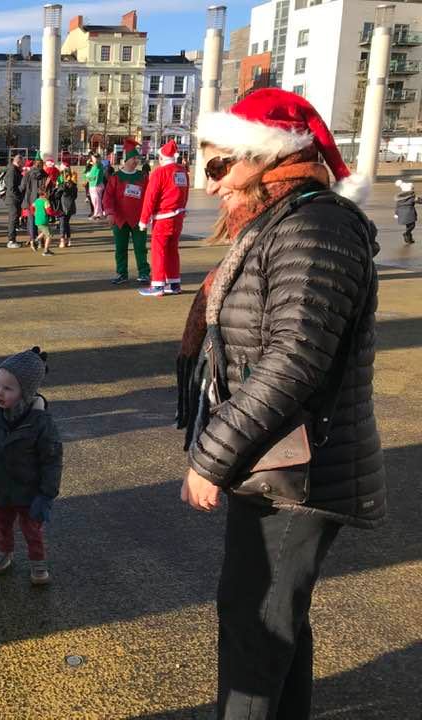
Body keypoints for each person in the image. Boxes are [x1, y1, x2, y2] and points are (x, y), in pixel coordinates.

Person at [178, 88, 382, 718]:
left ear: (266, 157)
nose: (210, 184)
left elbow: (295, 359)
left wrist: (211, 457)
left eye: (219, 166)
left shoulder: (315, 225)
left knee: (256, 633)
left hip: (297, 470)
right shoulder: (283, 223)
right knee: (271, 624)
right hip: (278, 461)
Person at [0, 347, 61, 585]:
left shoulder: (41, 422)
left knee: (32, 529)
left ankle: (37, 561)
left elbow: (52, 460)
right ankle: (4, 551)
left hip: (30, 492)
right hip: (1, 487)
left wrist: (46, 495)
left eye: (8, 388)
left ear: (25, 392)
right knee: (3, 524)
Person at [139, 139, 190, 297]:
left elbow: (150, 198)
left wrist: (144, 219)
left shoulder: (159, 173)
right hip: (178, 216)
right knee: (172, 250)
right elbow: (185, 194)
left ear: (161, 158)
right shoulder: (182, 172)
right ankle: (174, 283)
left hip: (163, 217)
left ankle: (158, 284)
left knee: (159, 250)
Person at [103, 139, 150, 285]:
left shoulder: (142, 177)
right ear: (126, 160)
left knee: (140, 248)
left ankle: (144, 273)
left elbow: (149, 196)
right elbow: (108, 197)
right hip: (120, 219)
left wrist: (150, 213)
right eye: (134, 158)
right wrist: (110, 213)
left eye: (137, 158)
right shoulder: (116, 177)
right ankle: (121, 273)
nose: (136, 161)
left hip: (139, 219)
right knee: (120, 248)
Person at [21, 159, 46, 246]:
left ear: (34, 165)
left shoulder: (27, 174)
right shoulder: (45, 175)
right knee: (41, 221)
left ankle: (32, 239)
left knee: (31, 221)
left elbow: (22, 187)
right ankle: (40, 241)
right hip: (41, 201)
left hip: (29, 200)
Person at [6, 155, 24, 248]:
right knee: (13, 219)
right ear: (18, 162)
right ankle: (11, 240)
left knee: (14, 218)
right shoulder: (12, 171)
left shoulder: (14, 170)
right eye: (22, 163)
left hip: (13, 198)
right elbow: (11, 187)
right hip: (13, 198)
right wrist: (18, 196)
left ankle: (12, 239)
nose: (23, 165)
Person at [394, 179, 419, 244]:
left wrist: (396, 213)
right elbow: (419, 201)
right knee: (412, 225)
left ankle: (409, 239)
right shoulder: (412, 197)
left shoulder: (399, 198)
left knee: (408, 226)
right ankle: (406, 233)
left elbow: (397, 206)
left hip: (402, 213)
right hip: (409, 212)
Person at [59, 169, 78, 248]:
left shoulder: (63, 185)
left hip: (63, 206)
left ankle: (62, 241)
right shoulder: (74, 185)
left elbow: (57, 194)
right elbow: (75, 197)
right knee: (66, 223)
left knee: (62, 224)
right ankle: (69, 240)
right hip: (71, 206)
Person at [31, 189, 54, 256]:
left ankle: (35, 241)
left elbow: (31, 207)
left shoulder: (37, 200)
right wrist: (56, 213)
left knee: (45, 232)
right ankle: (46, 251)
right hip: (43, 220)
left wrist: (34, 213)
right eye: (47, 193)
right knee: (49, 235)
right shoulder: (45, 201)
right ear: (44, 194)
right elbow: (49, 211)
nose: (48, 194)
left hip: (38, 220)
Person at [86, 154, 104, 219]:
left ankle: (97, 214)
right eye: (93, 158)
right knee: (95, 200)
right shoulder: (94, 166)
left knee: (96, 200)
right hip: (93, 184)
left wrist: (89, 177)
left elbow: (94, 176)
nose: (93, 160)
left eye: (94, 158)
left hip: (96, 185)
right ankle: (99, 213)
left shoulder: (98, 165)